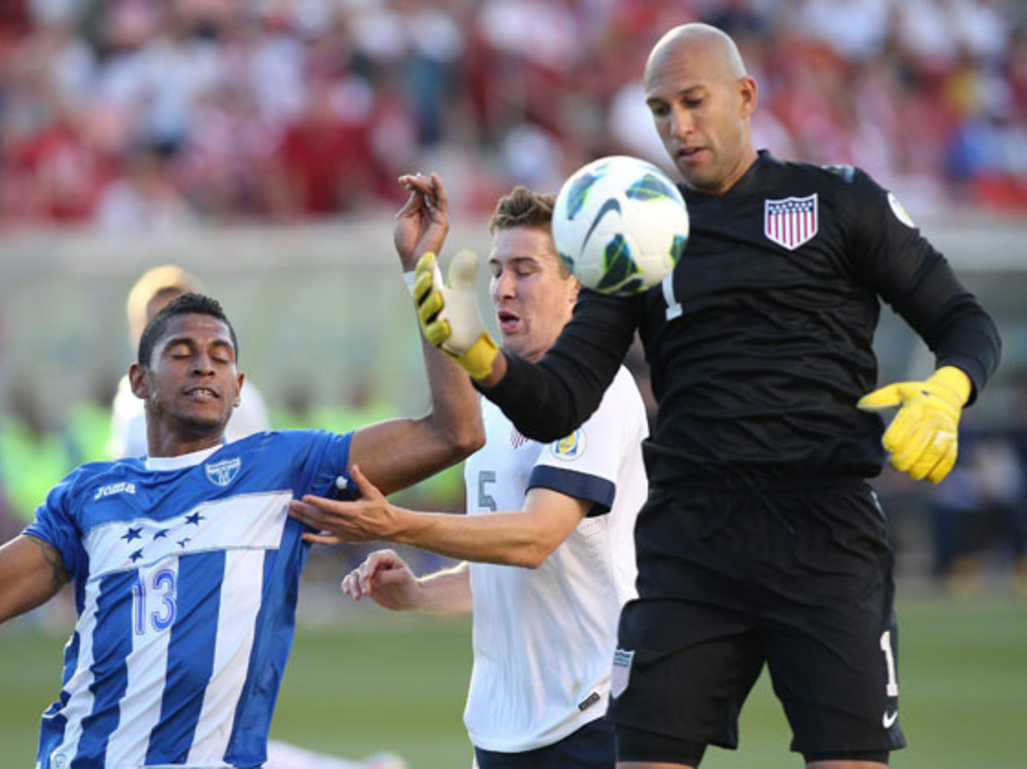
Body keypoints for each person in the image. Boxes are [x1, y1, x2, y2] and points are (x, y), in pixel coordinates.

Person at [410, 22, 1001, 769]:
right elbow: (559, 402)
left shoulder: (841, 201)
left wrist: (949, 390)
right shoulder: (638, 238)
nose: (678, 126)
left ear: (745, 96)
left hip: (825, 533)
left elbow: (963, 321)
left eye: (694, 102)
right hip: (692, 543)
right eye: (661, 110)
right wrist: (481, 358)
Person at [0, 187, 483, 768]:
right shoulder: (88, 496)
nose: (204, 366)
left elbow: (452, 433)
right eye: (182, 352)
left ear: (238, 387)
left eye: (220, 356)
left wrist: (420, 276)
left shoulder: (283, 467)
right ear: (138, 380)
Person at [289, 180, 650, 769]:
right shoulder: (490, 404)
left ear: (575, 286)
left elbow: (534, 538)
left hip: (592, 717)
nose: (503, 287)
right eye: (497, 269)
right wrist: (418, 593)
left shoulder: (602, 392)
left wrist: (396, 523)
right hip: (501, 728)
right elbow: (496, 575)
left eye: (526, 270)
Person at [108, 264, 271, 459]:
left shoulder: (233, 397)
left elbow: (260, 461)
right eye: (153, 323)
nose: (165, 334)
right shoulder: (127, 399)